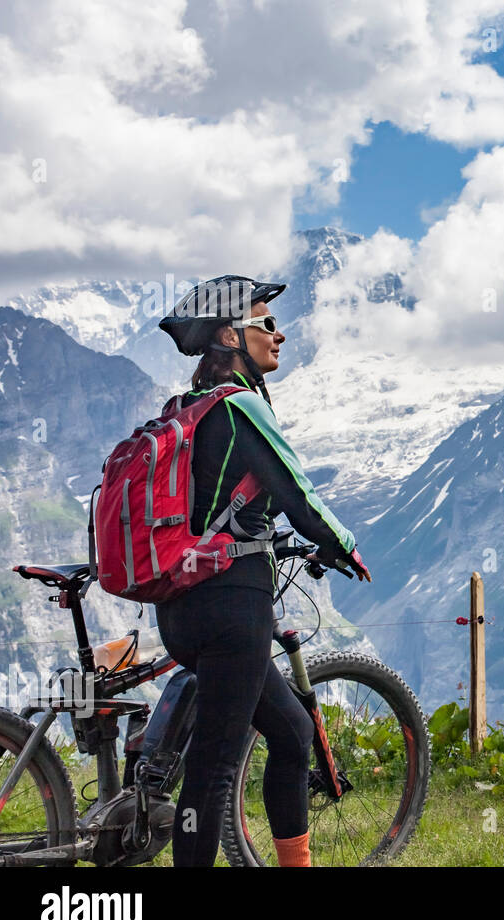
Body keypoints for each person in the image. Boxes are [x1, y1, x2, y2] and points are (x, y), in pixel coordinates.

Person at [154, 275, 371, 867]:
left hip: (181, 606)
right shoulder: (240, 405)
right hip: (231, 607)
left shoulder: (188, 409)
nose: (280, 333)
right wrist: (343, 545)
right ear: (231, 334)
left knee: (293, 733)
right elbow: (294, 490)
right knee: (214, 770)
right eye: (266, 323)